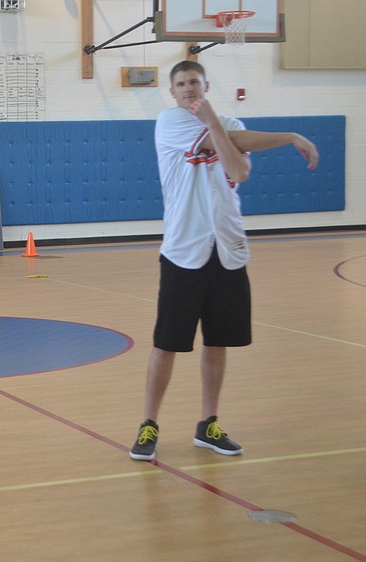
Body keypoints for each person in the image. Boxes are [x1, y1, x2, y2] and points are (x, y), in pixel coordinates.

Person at [129, 60, 319, 461]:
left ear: (206, 84)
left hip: (228, 250)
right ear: (172, 91)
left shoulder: (231, 124)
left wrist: (220, 124)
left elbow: (239, 171)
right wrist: (289, 136)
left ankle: (208, 424)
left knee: (218, 342)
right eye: (180, 84)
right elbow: (226, 144)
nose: (188, 90)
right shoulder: (169, 122)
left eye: (194, 82)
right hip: (184, 250)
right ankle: (149, 424)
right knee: (167, 344)